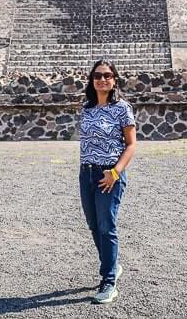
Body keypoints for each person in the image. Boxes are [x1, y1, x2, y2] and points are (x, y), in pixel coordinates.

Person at [78, 59, 137, 305]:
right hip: (87, 172)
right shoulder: (86, 108)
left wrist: (115, 172)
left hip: (109, 174)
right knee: (93, 225)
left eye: (108, 75)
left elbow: (131, 145)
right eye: (98, 75)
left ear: (114, 80)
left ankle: (108, 281)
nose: (103, 79)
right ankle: (112, 264)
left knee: (106, 225)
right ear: (92, 80)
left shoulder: (122, 108)